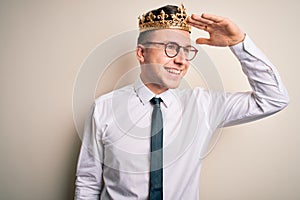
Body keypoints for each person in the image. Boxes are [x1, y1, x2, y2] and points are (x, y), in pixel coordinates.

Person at [74, 4, 289, 200]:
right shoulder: (104, 108)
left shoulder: (204, 105)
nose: (181, 60)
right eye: (170, 48)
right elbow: (88, 182)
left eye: (186, 50)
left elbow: (273, 98)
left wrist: (239, 43)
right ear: (141, 53)